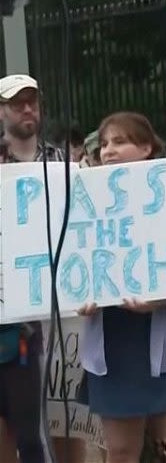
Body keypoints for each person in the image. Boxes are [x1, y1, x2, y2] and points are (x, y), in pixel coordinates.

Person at [76, 112, 166, 463]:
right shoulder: (83, 207)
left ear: (147, 147)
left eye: (120, 142)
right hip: (111, 345)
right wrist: (75, 297)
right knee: (120, 451)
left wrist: (162, 298)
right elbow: (70, 267)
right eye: (104, 144)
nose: (108, 151)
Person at [0, 73, 61, 463]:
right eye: (16, 102)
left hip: (56, 301)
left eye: (32, 101)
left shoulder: (61, 161)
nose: (26, 108)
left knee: (47, 427)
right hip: (12, 308)